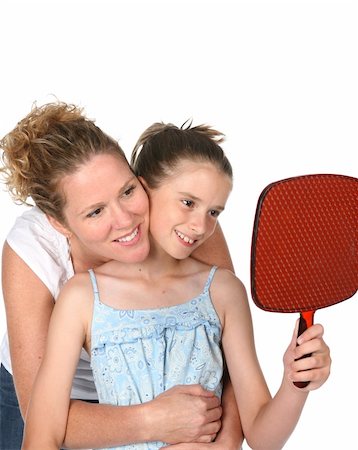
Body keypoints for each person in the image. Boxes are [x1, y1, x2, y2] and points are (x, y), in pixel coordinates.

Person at [21, 120, 331, 449]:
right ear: (144, 189)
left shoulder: (224, 292)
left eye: (214, 212)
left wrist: (295, 386)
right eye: (187, 203)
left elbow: (263, 438)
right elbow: (42, 435)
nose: (200, 226)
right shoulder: (82, 297)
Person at [0, 102, 243, 450]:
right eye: (96, 211)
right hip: (64, 402)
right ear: (60, 223)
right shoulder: (33, 249)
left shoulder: (187, 222)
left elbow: (229, 352)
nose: (126, 220)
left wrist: (227, 442)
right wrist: (155, 419)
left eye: (127, 191)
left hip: (164, 391)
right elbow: (41, 417)